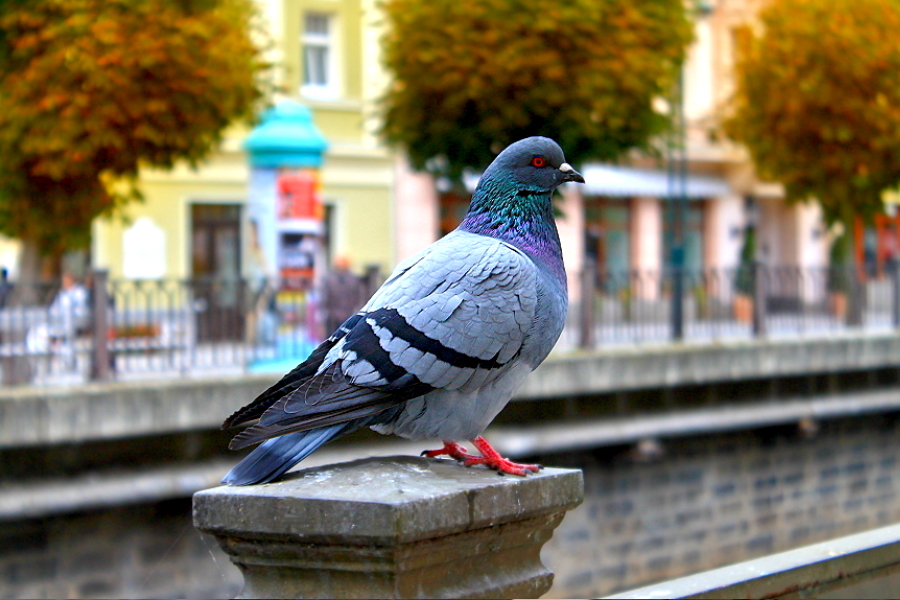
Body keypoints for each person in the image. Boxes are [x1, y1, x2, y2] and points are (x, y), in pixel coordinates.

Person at [320, 256, 367, 335]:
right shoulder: (330, 279)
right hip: (335, 317)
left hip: (345, 316)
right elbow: (324, 298)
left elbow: (359, 297)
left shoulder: (353, 279)